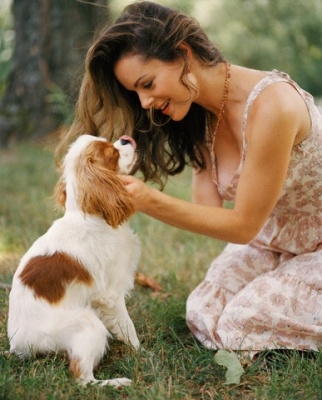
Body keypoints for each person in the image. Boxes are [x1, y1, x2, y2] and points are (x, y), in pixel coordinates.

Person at [57, 1, 322, 356]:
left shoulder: (273, 106)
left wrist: (148, 200)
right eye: (137, 93)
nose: (146, 101)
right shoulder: (200, 118)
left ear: (182, 54)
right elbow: (209, 214)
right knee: (202, 311)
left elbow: (242, 226)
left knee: (239, 323)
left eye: (147, 84)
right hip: (272, 245)